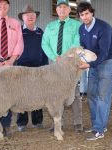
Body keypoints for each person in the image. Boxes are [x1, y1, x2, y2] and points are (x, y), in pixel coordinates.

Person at [76, 2, 112, 140]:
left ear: (92, 12)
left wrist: (89, 65)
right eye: (82, 15)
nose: (85, 17)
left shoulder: (104, 28)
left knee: (102, 96)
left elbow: (105, 53)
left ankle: (99, 130)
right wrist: (80, 55)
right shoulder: (82, 29)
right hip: (93, 62)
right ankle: (98, 125)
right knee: (91, 94)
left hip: (107, 62)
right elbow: (84, 46)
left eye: (87, 13)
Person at [42, 0, 83, 132]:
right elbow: (45, 44)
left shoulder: (77, 25)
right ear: (56, 10)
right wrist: (55, 57)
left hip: (70, 64)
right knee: (55, 94)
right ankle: (58, 123)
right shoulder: (50, 26)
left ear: (69, 10)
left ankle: (78, 123)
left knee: (74, 93)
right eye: (60, 7)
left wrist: (65, 58)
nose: (62, 9)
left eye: (65, 7)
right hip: (54, 64)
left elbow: (77, 42)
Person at [0, 0, 24, 136]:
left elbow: (19, 42)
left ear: (9, 7)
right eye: (0, 4)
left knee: (9, 94)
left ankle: (6, 125)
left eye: (5, 4)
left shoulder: (15, 23)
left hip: (10, 63)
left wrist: (11, 60)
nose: (3, 7)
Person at [16, 5, 48, 132]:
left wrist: (45, 66)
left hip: (38, 68)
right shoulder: (18, 31)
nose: (30, 17)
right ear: (22, 17)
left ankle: (37, 121)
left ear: (36, 17)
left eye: (32, 15)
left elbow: (45, 50)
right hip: (22, 68)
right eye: (27, 15)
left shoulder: (40, 31)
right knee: (22, 95)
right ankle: (22, 122)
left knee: (38, 95)